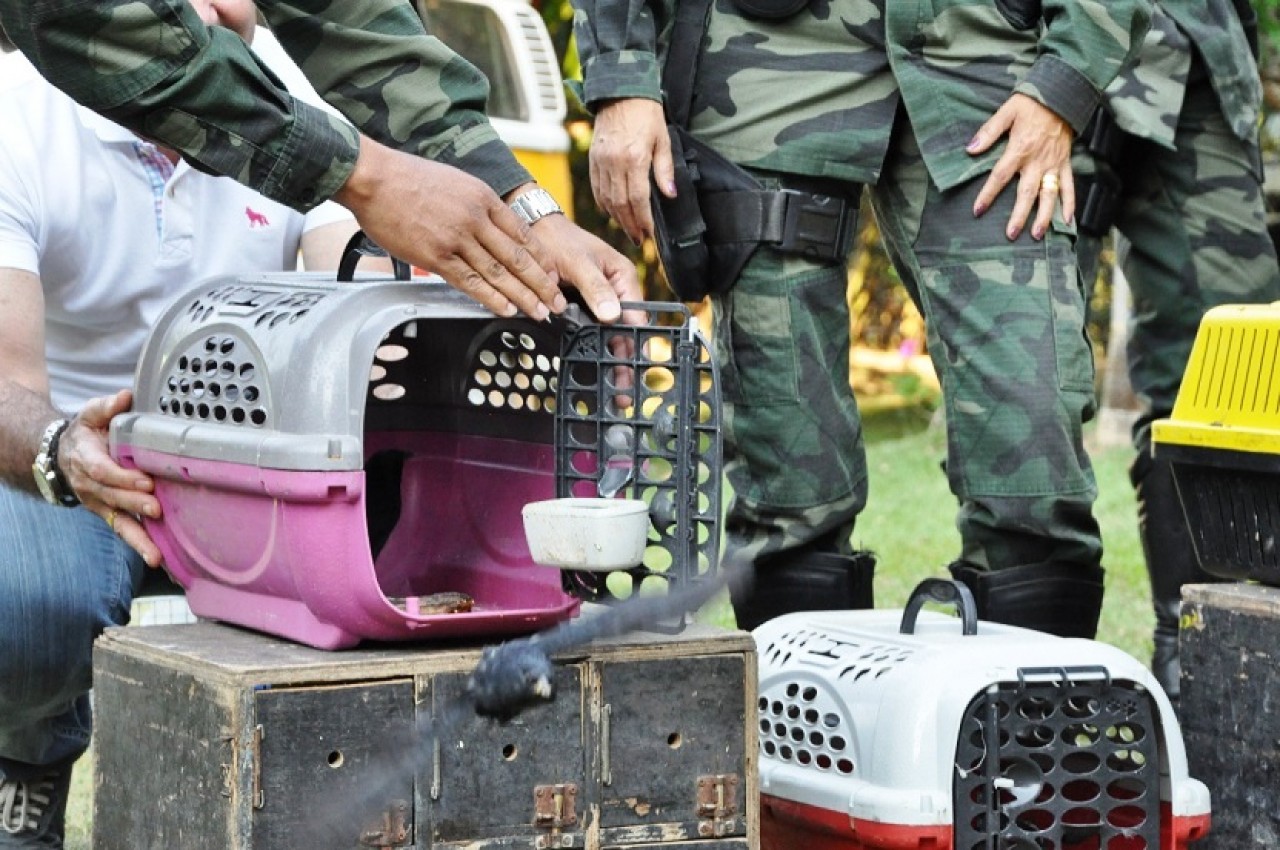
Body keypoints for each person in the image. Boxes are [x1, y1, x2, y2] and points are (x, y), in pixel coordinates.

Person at [574, 0, 1151, 633]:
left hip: (983, 58)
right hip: (765, 59)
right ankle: (806, 725)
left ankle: (1033, 729)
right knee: (789, 486)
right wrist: (621, 75)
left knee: (1034, 466)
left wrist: (1065, 79)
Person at [0, 3, 378, 842]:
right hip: (74, 449)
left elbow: (354, 292)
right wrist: (64, 450)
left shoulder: (295, 85)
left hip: (253, 456)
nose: (207, 13)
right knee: (22, 606)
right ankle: (24, 752)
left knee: (391, 555)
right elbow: (5, 385)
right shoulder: (17, 110)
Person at [1074, 0, 1280, 702]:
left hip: (1189, 45)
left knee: (1236, 372)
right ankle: (1028, 721)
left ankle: (1199, 658)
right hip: (1004, 50)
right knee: (1025, 397)